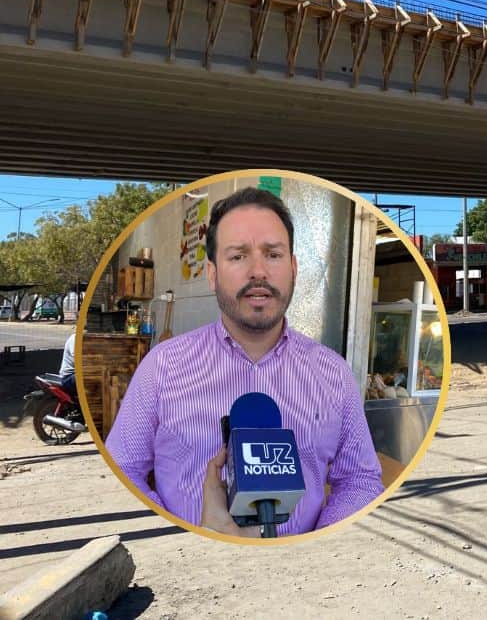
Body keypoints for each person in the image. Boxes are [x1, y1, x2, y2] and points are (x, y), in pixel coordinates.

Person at [107, 188, 384, 537]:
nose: (258, 271)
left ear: (293, 268)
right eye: (238, 256)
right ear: (212, 273)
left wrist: (316, 544)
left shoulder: (333, 372)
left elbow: (360, 479)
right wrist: (182, 537)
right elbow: (122, 472)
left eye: (273, 254)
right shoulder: (162, 366)